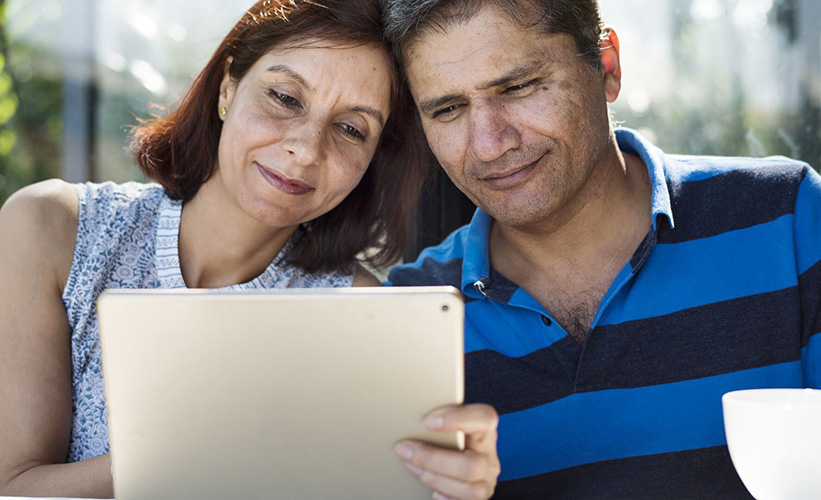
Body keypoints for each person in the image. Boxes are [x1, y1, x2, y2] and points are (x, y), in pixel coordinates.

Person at [0, 1, 499, 498]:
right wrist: (217, 447)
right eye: (285, 97)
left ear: (372, 160)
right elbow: (13, 487)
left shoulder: (356, 310)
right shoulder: (53, 229)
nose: (305, 149)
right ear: (228, 87)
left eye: (351, 129)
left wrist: (444, 489)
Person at [382, 0, 821, 497]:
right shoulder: (404, 312)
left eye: (519, 86)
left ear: (607, 67)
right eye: (448, 109)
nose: (488, 144)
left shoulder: (788, 217)